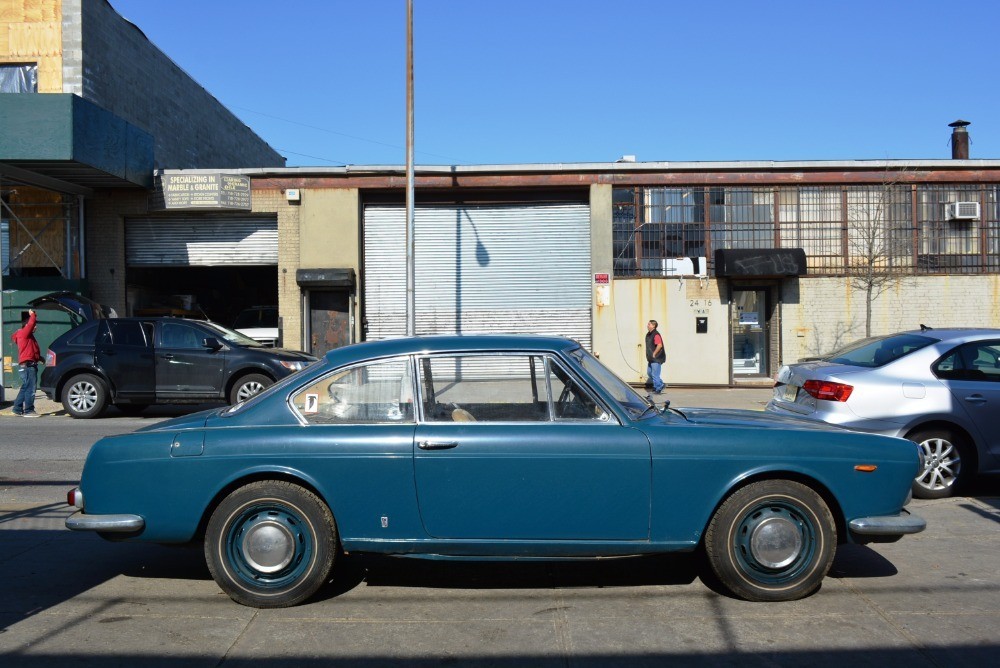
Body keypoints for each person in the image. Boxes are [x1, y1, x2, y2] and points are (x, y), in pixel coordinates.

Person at [11, 309, 42, 417]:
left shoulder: (27, 336)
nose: (36, 327)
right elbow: (31, 322)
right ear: (28, 325)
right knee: (30, 388)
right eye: (35, 325)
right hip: (28, 365)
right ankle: (29, 410)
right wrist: (33, 314)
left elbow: (31, 350)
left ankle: (17, 408)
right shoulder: (24, 333)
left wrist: (40, 358)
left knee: (25, 387)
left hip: (26, 364)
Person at [645, 319, 666, 394]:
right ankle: (660, 384)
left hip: (656, 358)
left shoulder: (656, 334)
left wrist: (654, 353)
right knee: (650, 373)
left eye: (649, 324)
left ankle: (658, 388)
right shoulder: (649, 334)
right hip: (650, 358)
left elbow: (659, 345)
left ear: (653, 326)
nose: (647, 325)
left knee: (655, 374)